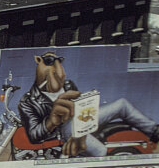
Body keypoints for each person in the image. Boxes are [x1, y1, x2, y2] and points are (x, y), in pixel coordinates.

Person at [18, 50, 159, 158]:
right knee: (100, 151)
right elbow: (34, 135)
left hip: (81, 119)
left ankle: (155, 132)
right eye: (49, 62)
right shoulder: (28, 101)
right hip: (63, 130)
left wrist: (86, 101)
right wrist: (52, 121)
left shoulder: (68, 85)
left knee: (122, 105)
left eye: (57, 62)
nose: (56, 68)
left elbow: (78, 106)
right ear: (39, 62)